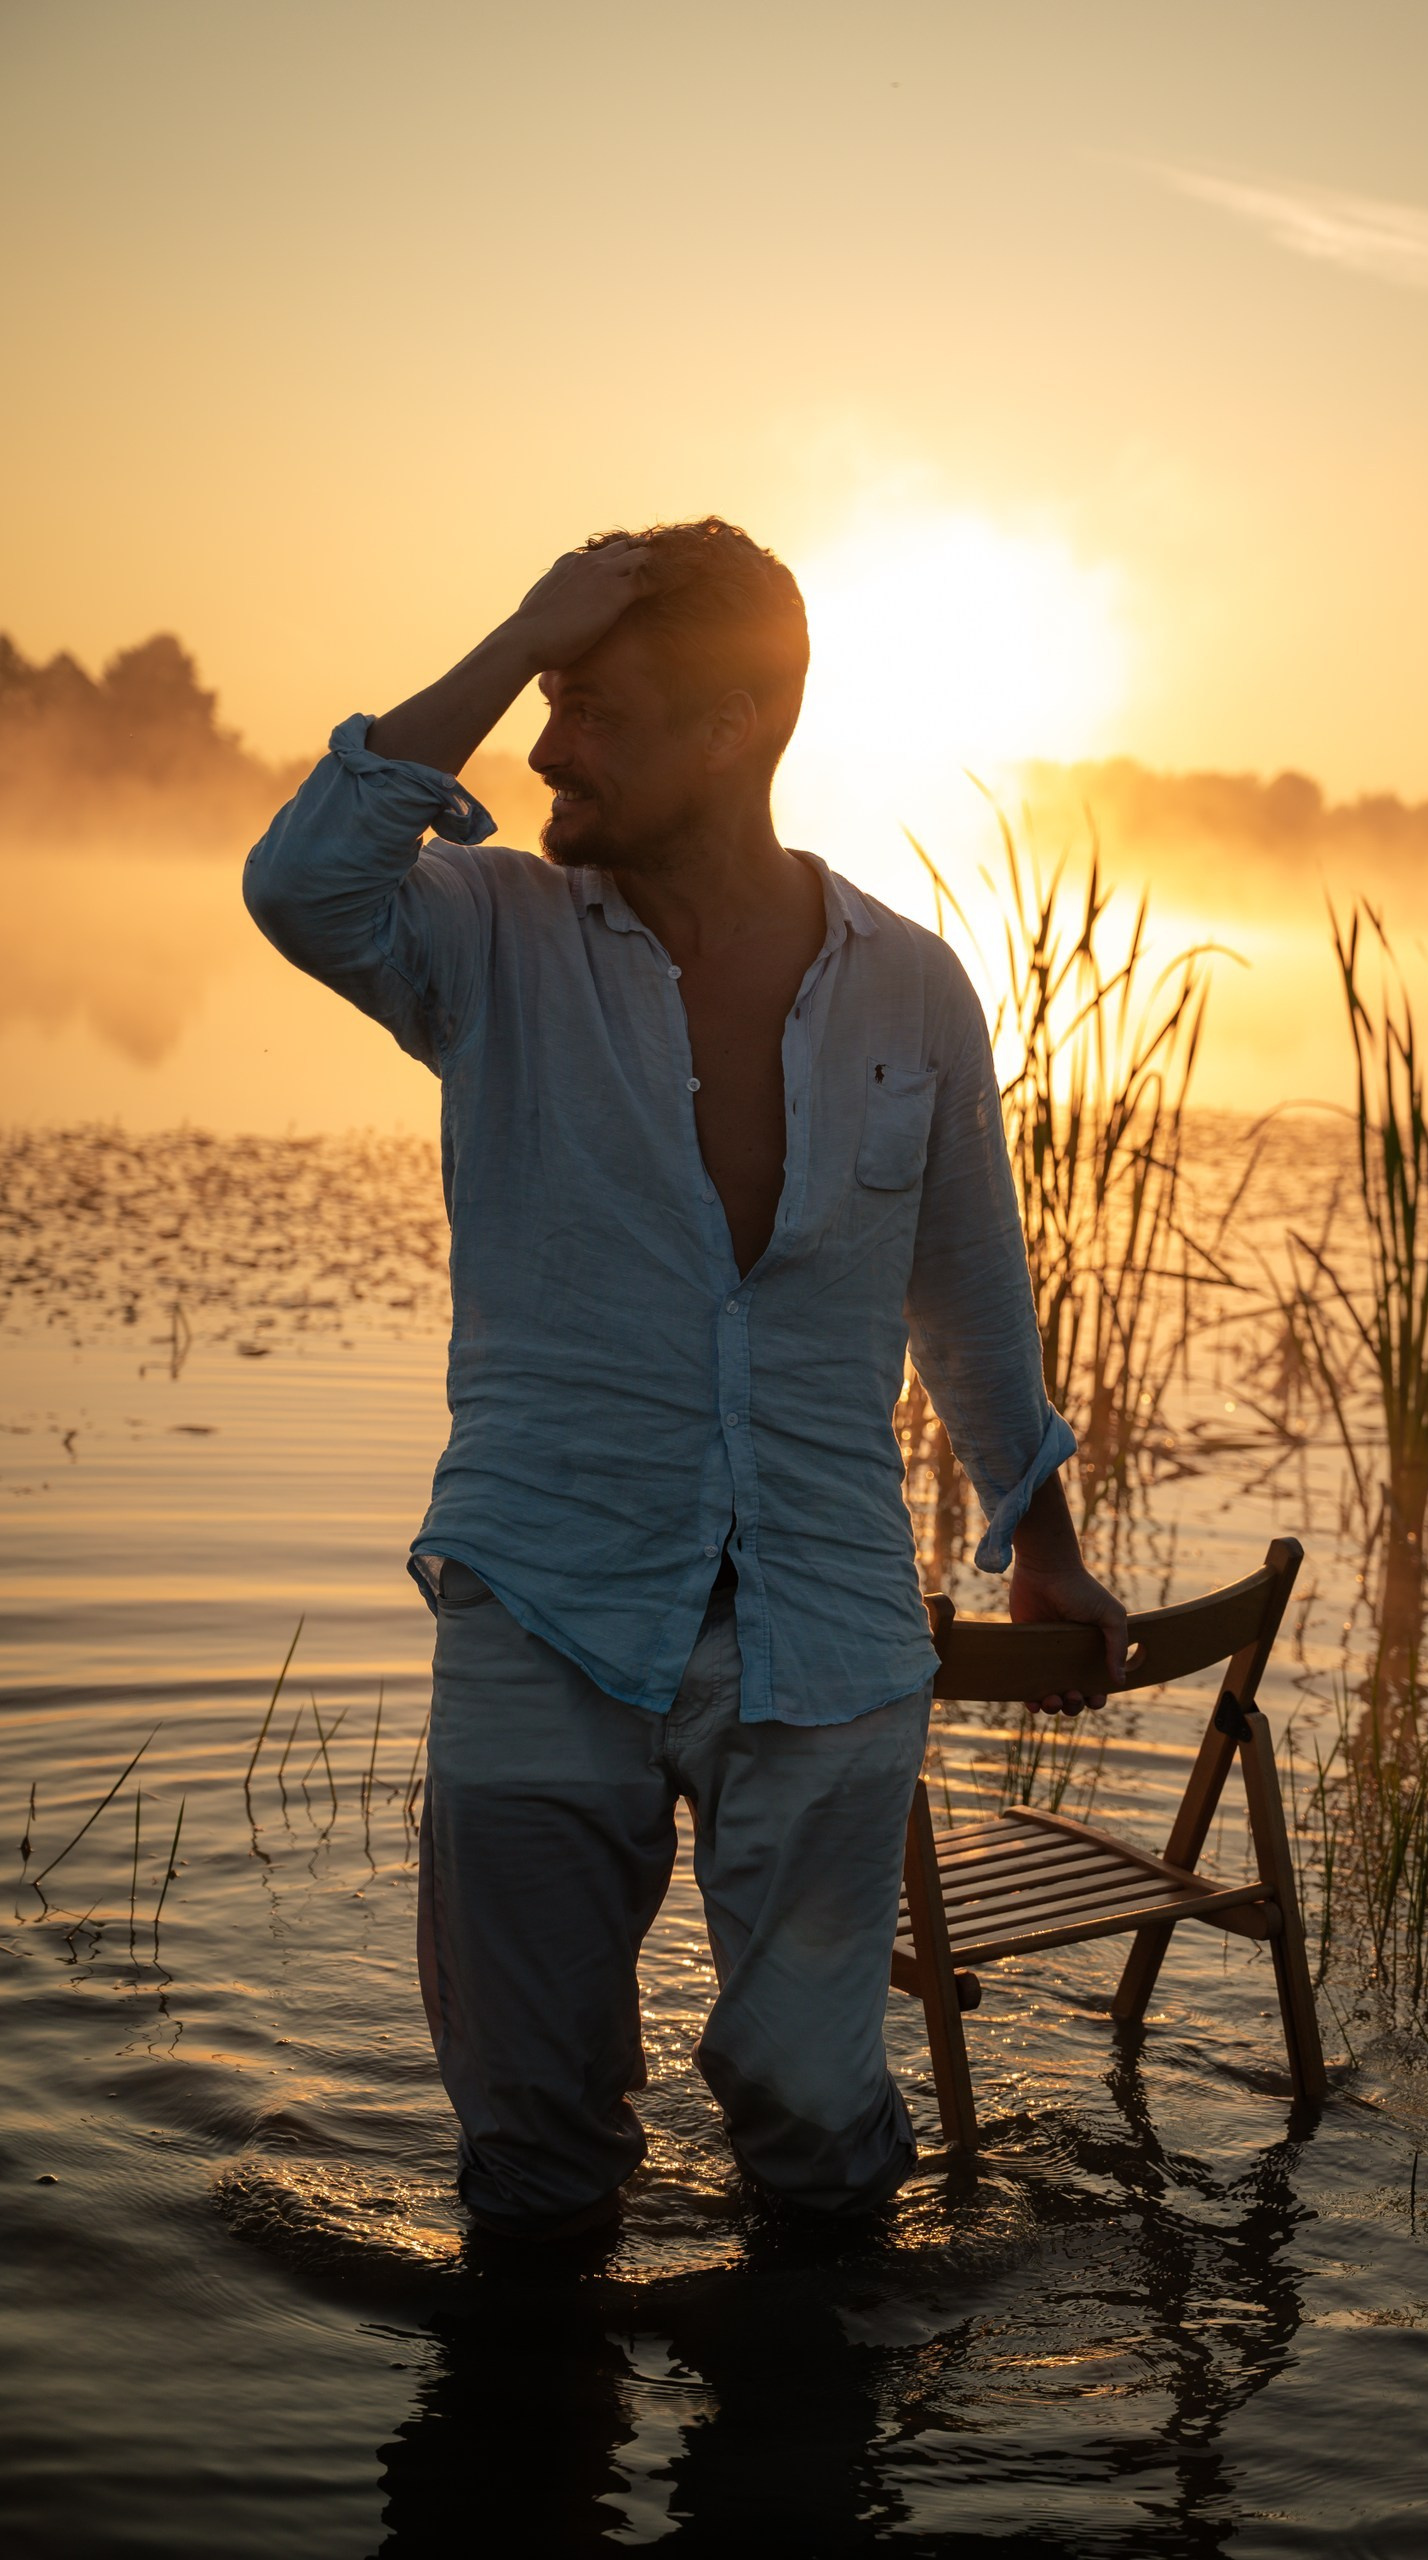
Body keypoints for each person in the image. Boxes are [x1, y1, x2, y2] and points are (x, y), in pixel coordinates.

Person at [243, 518, 1130, 2236]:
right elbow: (299, 885)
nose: (546, 746)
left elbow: (967, 1286)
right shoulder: (484, 938)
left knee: (815, 2128)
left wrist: (1043, 1536)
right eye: (542, 702)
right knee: (530, 2145)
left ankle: (804, 2445)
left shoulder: (910, 987)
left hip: (823, 1624)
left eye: (594, 708)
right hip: (540, 1600)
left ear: (732, 730)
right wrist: (517, 632)